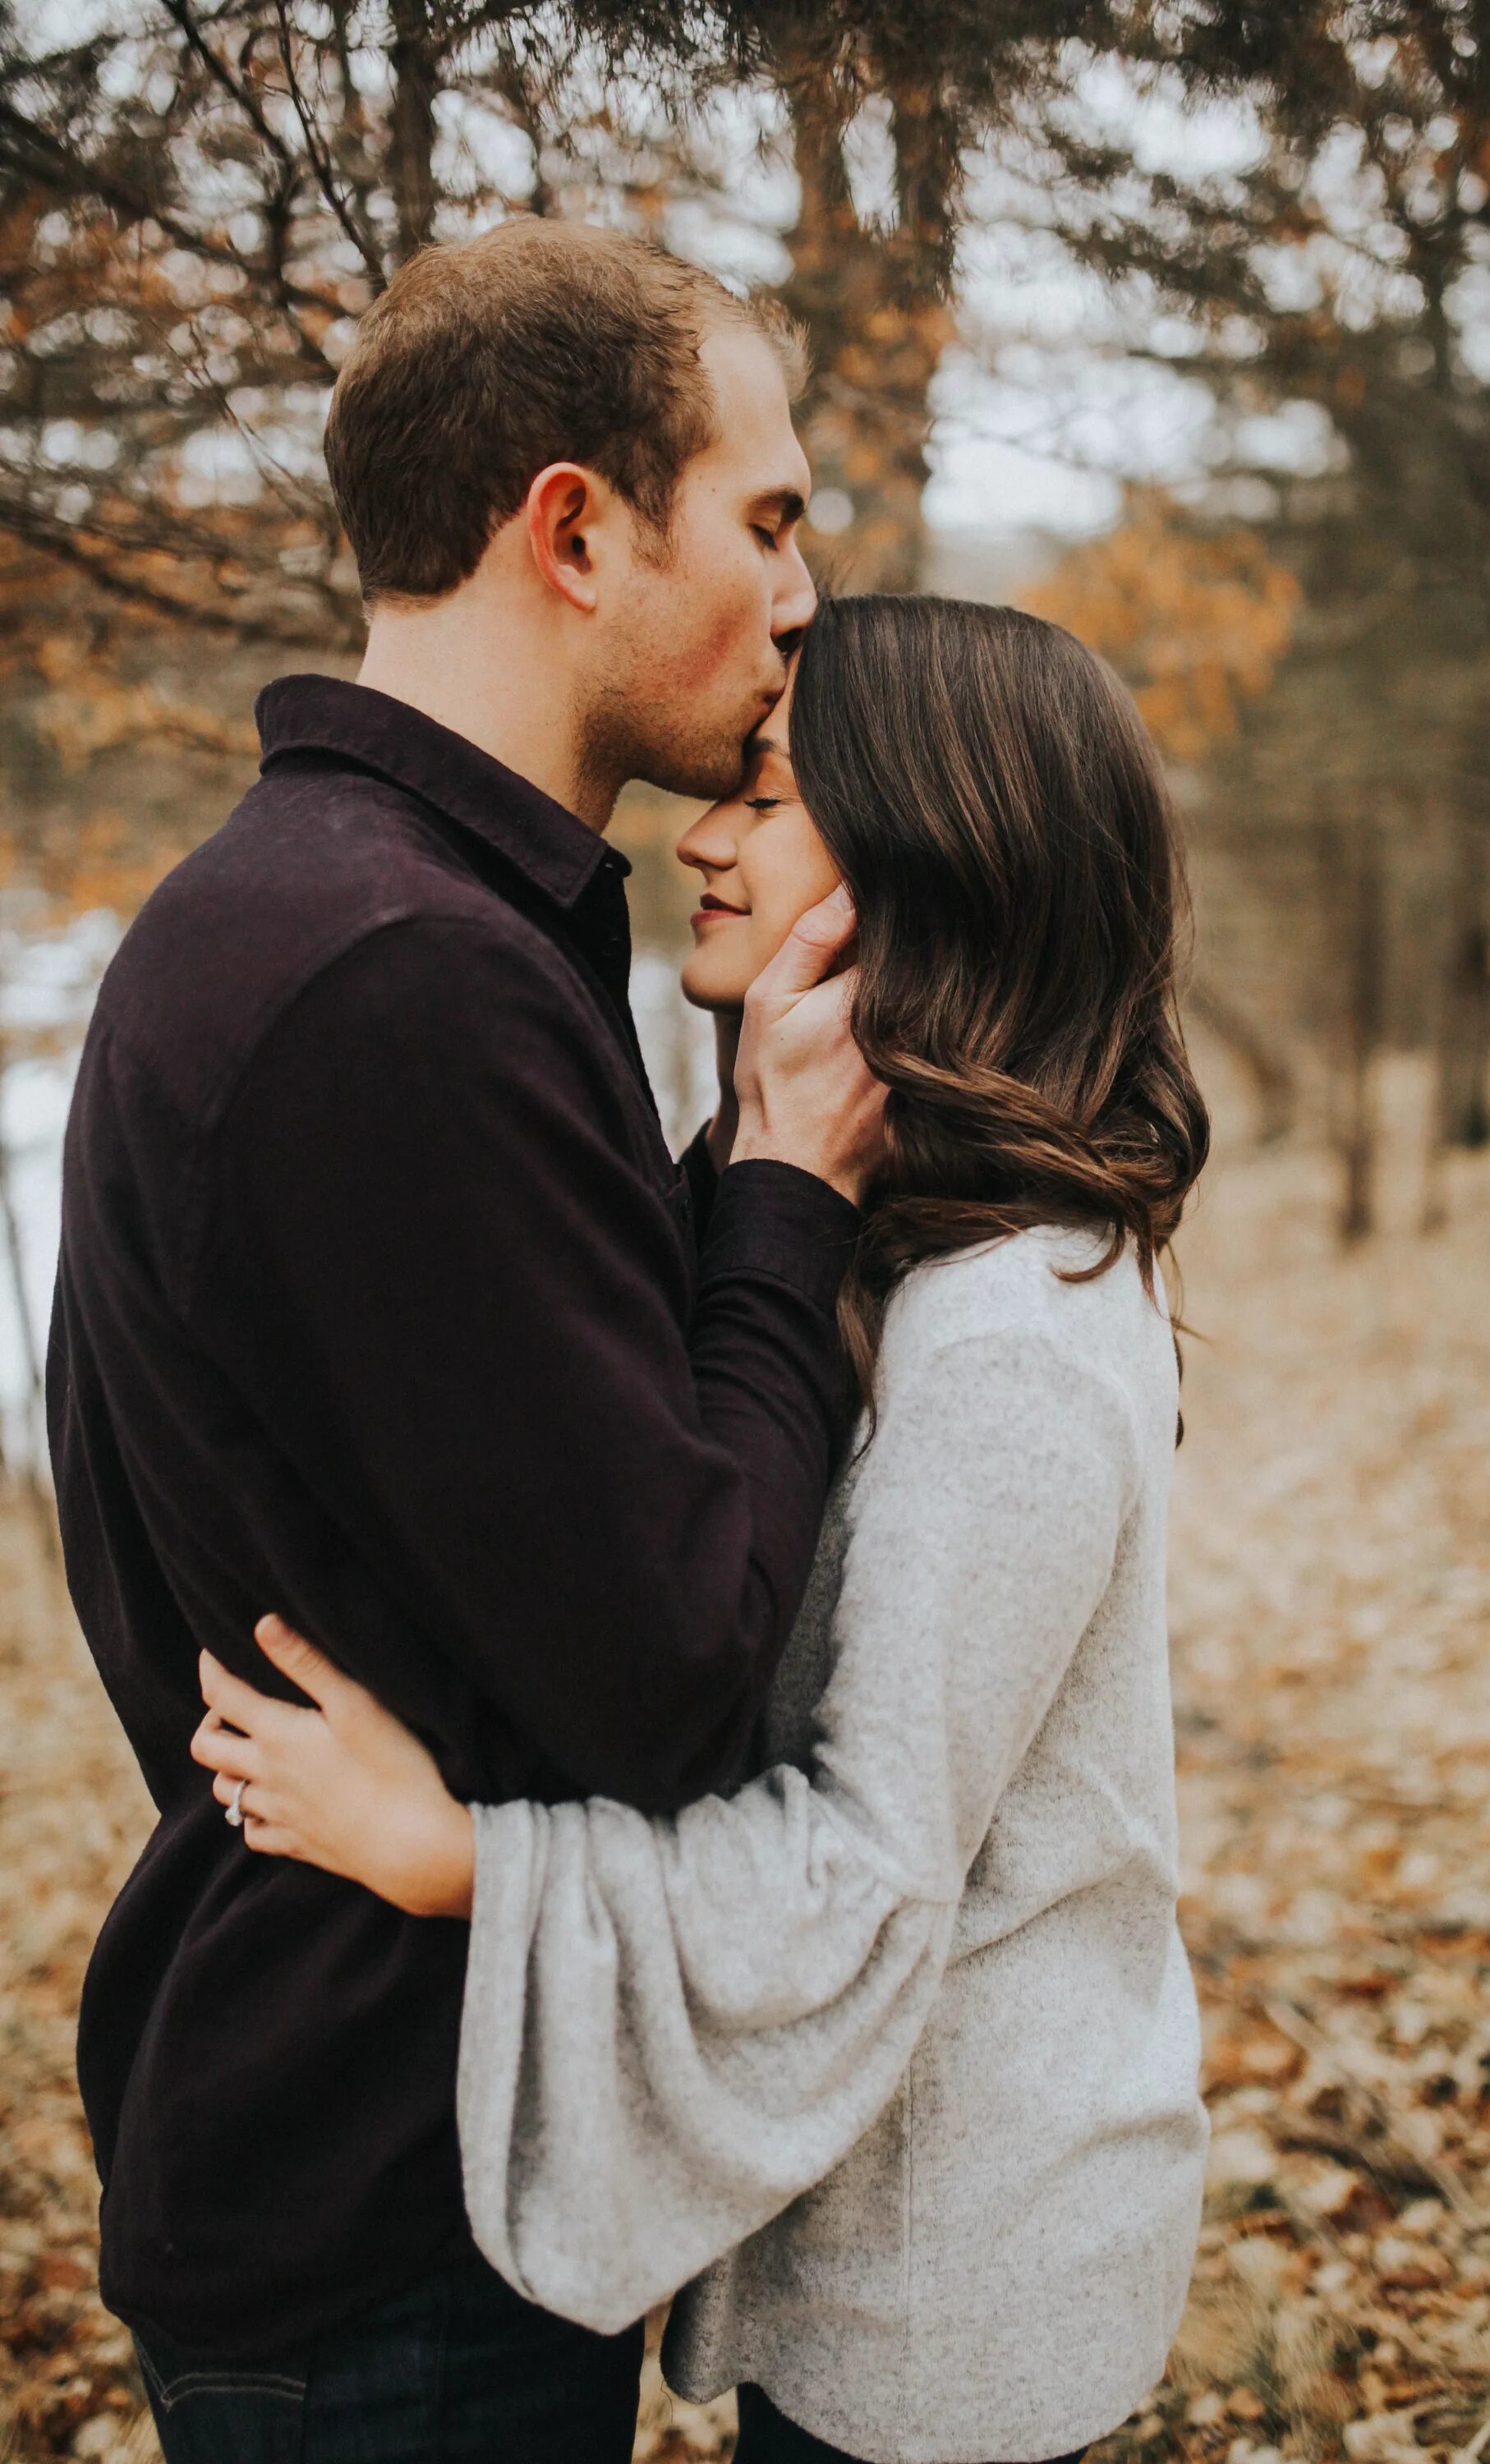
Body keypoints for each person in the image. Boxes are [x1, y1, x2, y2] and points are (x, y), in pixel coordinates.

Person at [194, 593, 1214, 2464]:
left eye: (766, 791)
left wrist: (454, 1859)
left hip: (950, 2303)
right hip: (876, 2231)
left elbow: (865, 1873)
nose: (701, 835)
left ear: (939, 849)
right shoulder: (888, 1231)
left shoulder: (1008, 1343)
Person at [48, 220, 885, 2464]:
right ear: (578, 527)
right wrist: (790, 1196)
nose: (807, 593)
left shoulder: (341, 914)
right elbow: (678, 1658)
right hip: (382, 2232)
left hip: (390, 2149)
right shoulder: (399, 981)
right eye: (773, 516)